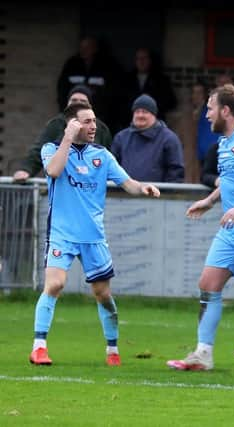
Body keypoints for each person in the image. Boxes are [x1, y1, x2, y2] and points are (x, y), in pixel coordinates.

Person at [29, 102, 160, 366]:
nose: (94, 126)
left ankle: (112, 349)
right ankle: (39, 347)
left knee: (102, 293)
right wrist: (67, 138)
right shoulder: (52, 150)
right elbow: (53, 171)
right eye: (87, 121)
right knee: (54, 284)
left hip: (93, 237)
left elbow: (128, 184)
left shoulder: (102, 155)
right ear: (71, 124)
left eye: (94, 120)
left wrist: (143, 187)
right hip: (61, 234)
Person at [166, 84, 234, 372]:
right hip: (231, 228)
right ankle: (203, 353)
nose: (206, 114)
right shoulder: (223, 142)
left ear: (225, 110)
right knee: (208, 285)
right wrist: (209, 201)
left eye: (209, 108)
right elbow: (231, 183)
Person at [13, 85, 112, 182]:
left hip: (90, 186)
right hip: (60, 183)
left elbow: (109, 158)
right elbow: (39, 149)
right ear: (67, 103)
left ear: (90, 106)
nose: (77, 104)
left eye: (83, 102)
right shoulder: (55, 124)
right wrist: (26, 169)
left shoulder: (101, 129)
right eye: (74, 100)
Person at [111, 94, 185, 183]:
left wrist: (166, 194)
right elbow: (112, 168)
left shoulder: (169, 139)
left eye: (145, 112)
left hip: (156, 195)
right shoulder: (121, 138)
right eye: (137, 111)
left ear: (154, 115)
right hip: (124, 195)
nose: (140, 115)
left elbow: (176, 173)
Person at [56, 36, 121, 130]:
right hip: (74, 117)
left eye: (87, 47)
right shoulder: (71, 65)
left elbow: (114, 92)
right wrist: (65, 112)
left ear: (95, 49)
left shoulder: (108, 66)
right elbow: (62, 90)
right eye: (82, 47)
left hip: (100, 118)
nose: (84, 50)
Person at [119, 47, 177, 127]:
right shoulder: (127, 80)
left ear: (150, 60)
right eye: (138, 58)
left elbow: (171, 102)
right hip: (131, 125)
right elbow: (121, 102)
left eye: (144, 58)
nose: (141, 61)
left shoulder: (161, 80)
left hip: (154, 126)